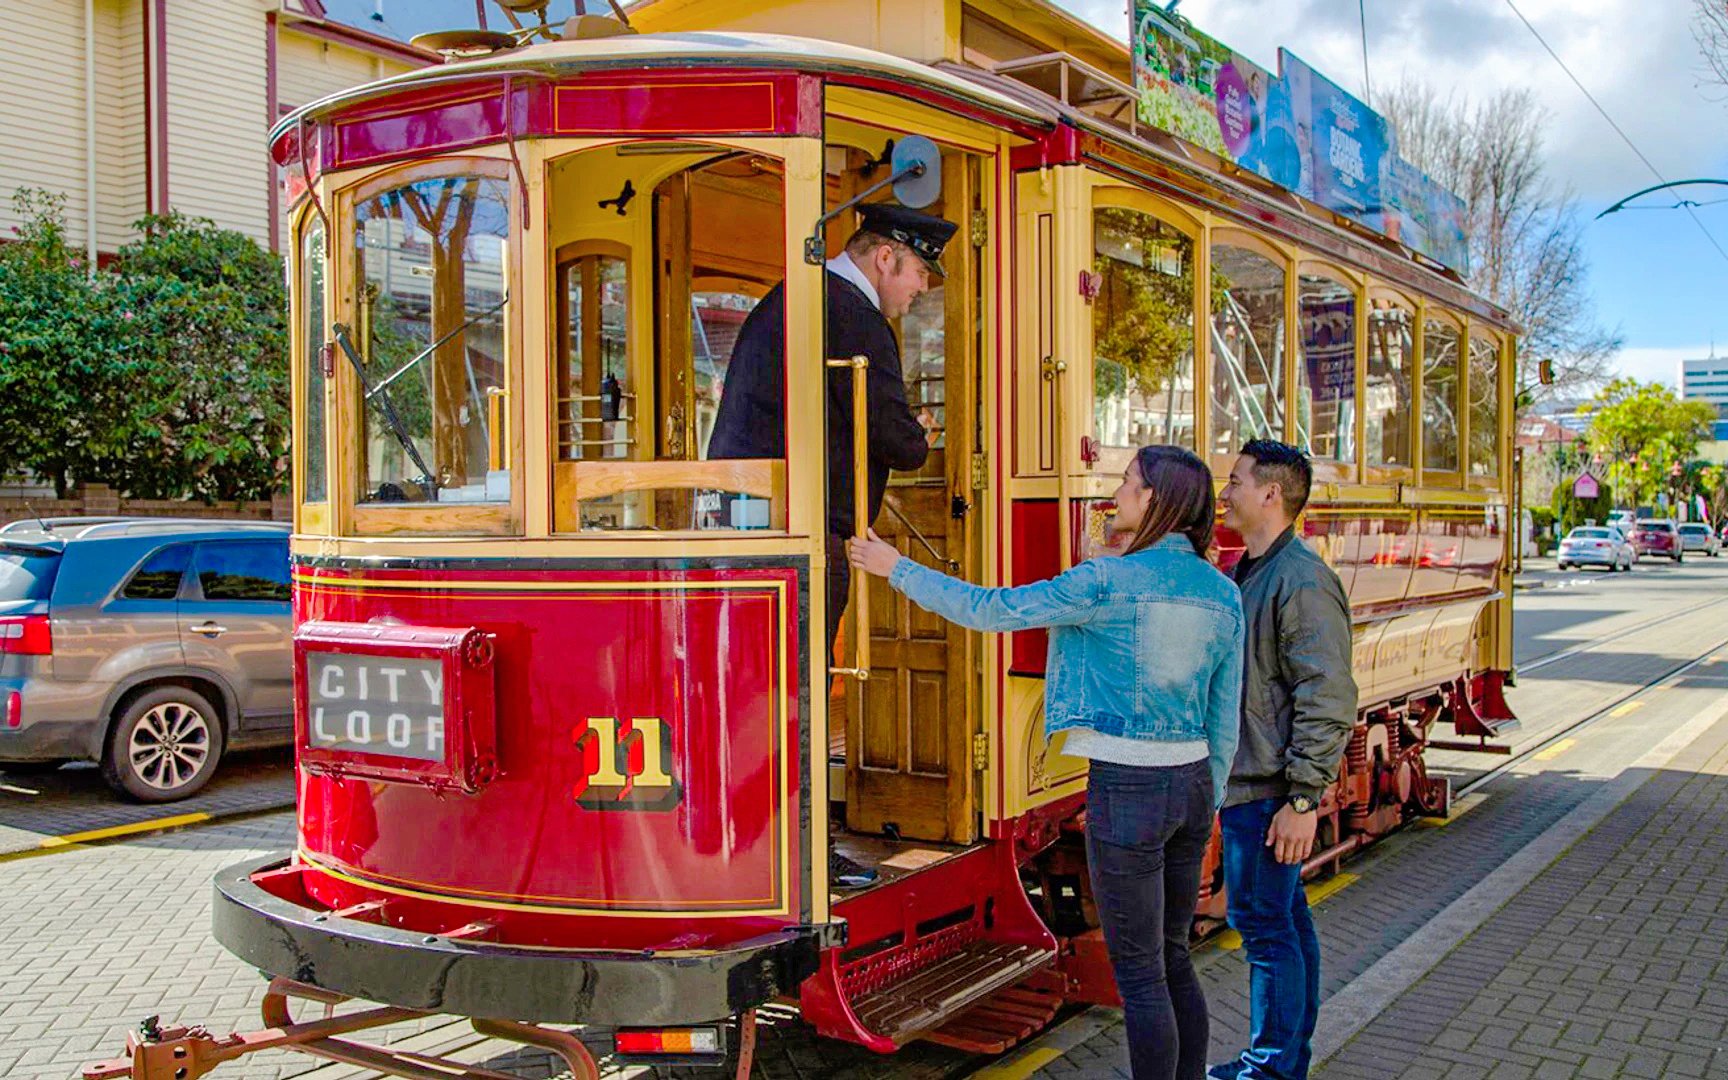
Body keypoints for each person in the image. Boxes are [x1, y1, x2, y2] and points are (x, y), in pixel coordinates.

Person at [851, 446, 1244, 1080]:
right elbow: (1225, 716)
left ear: (1154, 501)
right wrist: (1208, 796)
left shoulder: (1104, 580)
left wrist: (897, 568)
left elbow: (992, 610)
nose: (1116, 492)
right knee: (1172, 958)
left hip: (1128, 786)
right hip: (1193, 783)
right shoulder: (1222, 593)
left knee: (1139, 974)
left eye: (1127, 482)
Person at [708, 201, 953, 653]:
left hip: (747, 519)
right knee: (803, 681)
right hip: (806, 531)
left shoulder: (793, 295)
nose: (923, 284)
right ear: (884, 258)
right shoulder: (858, 317)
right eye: (920, 270)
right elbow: (898, 443)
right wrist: (920, 432)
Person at [1210, 440, 1356, 1080]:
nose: (1226, 490)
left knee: (1266, 930)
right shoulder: (1254, 569)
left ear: (1271, 494)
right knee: (1284, 924)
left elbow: (1327, 693)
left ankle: (1271, 1070)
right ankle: (1283, 1061)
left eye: (1237, 480)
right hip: (1259, 784)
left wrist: (1302, 800)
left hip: (1267, 790)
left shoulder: (1299, 579)